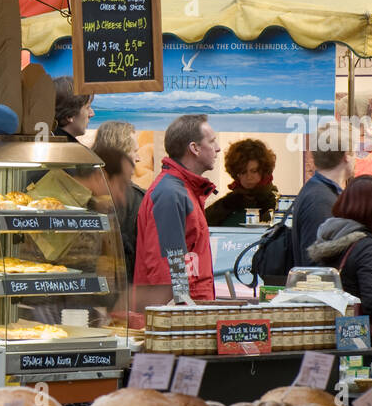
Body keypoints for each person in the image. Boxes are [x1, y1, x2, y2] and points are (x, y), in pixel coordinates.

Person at [306, 175, 372, 348]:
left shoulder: (333, 238)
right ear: (371, 208)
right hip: (367, 345)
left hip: (332, 338)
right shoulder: (368, 247)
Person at [134, 114, 220, 304]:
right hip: (179, 318)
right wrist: (182, 312)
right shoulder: (171, 194)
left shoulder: (184, 191)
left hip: (189, 312)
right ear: (194, 148)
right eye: (212, 141)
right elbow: (166, 265)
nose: (218, 148)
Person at [290, 122, 351, 269]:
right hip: (320, 290)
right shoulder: (321, 200)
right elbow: (317, 265)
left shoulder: (319, 191)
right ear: (345, 156)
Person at [92, 120, 145, 285]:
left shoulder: (78, 187)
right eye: (134, 151)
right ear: (120, 154)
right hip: (120, 293)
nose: (138, 158)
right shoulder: (137, 199)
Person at [204, 138, 278, 227]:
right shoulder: (227, 204)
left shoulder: (275, 204)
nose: (249, 177)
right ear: (236, 174)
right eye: (243, 172)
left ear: (263, 171)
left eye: (254, 171)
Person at [52, 76, 93, 143]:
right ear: (70, 115)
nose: (92, 114)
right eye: (87, 107)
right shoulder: (70, 151)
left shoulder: (44, 142)